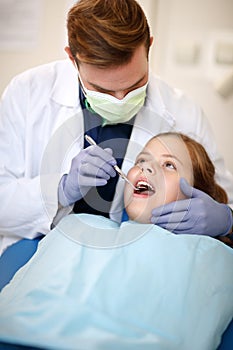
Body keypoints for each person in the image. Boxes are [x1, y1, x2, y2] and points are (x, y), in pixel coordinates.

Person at [0, 0, 233, 257]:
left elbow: (222, 196)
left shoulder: (185, 113)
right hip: (36, 252)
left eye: (135, 84)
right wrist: (60, 189)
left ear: (149, 48)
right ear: (72, 58)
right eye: (103, 90)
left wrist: (227, 220)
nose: (121, 98)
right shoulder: (27, 93)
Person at [0, 132, 233, 350]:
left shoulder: (216, 258)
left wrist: (229, 221)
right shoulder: (79, 227)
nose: (147, 167)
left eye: (169, 164)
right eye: (141, 160)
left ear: (199, 195)